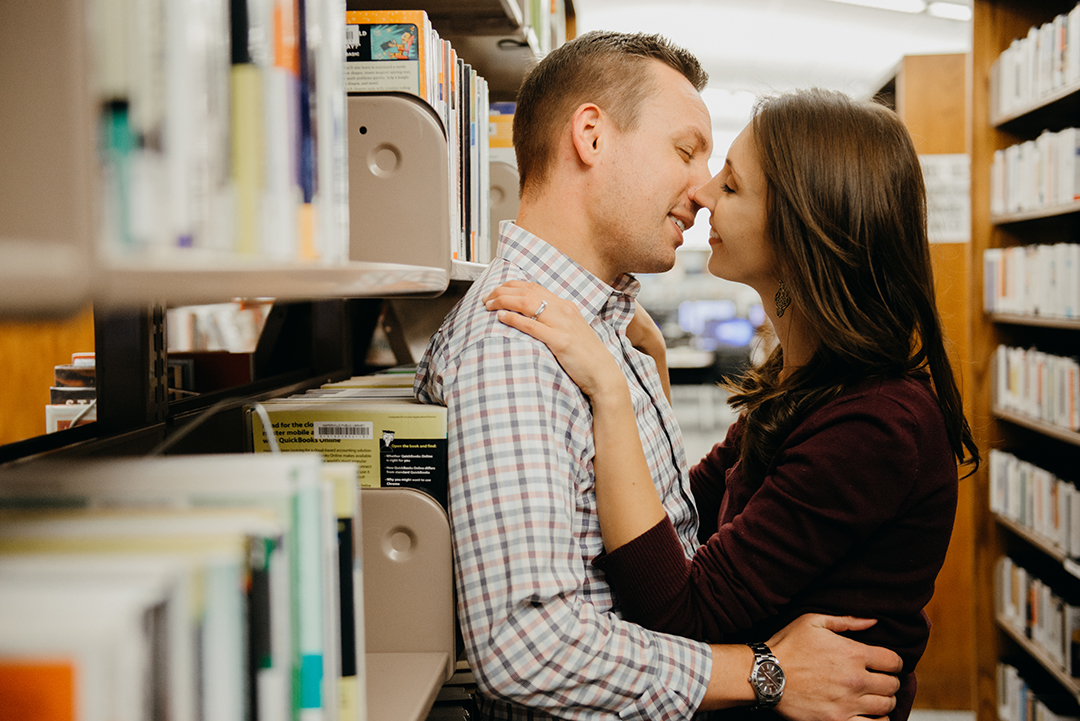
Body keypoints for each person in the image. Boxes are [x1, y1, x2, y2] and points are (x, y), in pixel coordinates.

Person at [415, 31, 904, 721]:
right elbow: (527, 643)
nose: (703, 190)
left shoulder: (602, 332)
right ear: (591, 135)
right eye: (685, 150)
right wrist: (765, 670)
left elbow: (680, 540)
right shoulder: (517, 341)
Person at [483, 87, 981, 721]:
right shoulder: (807, 384)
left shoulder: (876, 425)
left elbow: (680, 612)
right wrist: (647, 367)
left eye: (734, 185)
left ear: (804, 227)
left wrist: (611, 389)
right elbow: (684, 513)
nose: (702, 194)